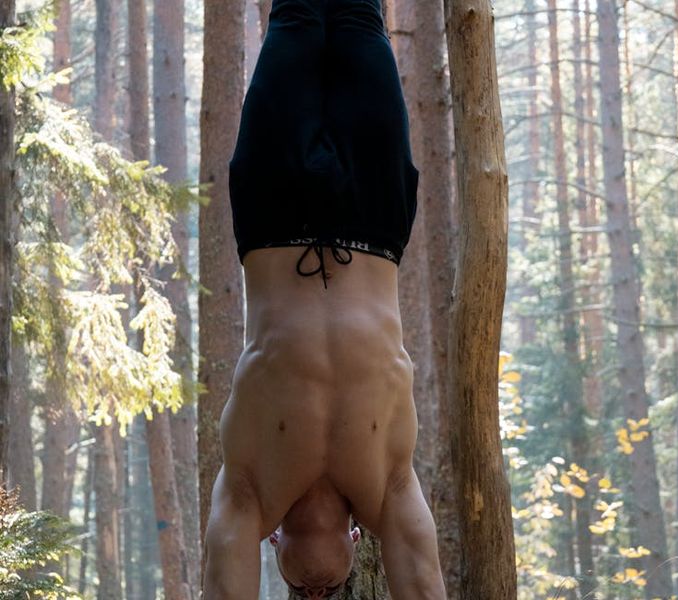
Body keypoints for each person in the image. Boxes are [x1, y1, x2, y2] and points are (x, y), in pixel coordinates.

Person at [201, 0, 448, 598]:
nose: (312, 594)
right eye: (321, 595)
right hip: (374, 214)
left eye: (301, 594)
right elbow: (421, 577)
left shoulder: (250, 488)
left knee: (295, 15)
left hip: (272, 208)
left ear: (271, 540)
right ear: (362, 540)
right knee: (360, 16)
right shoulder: (390, 485)